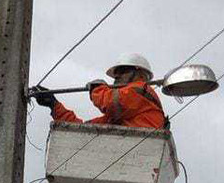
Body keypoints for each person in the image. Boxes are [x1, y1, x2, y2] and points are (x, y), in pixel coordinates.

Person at [33, 53, 168, 129]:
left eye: (122, 71)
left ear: (138, 73)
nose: (117, 77)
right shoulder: (125, 115)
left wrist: (97, 89)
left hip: (141, 148)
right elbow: (82, 129)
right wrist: (54, 104)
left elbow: (110, 102)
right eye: (116, 75)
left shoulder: (141, 90)